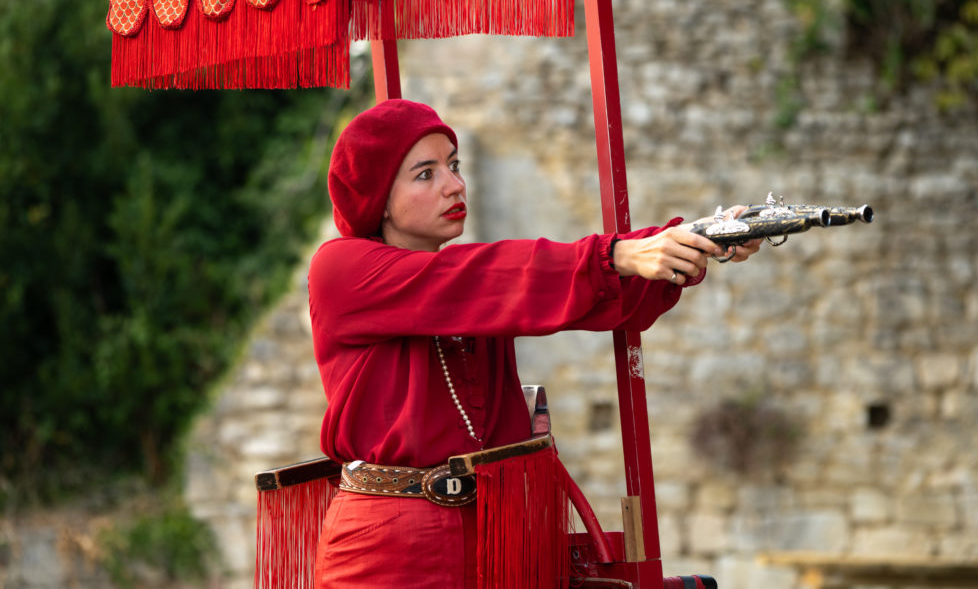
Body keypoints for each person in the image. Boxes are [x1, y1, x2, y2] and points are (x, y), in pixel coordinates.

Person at [307, 99, 760, 588]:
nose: (455, 185)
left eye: (454, 166)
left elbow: (599, 299)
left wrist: (691, 243)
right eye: (425, 174)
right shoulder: (341, 271)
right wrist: (620, 253)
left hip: (496, 539)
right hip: (389, 549)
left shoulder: (476, 286)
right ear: (379, 197)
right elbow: (481, 279)